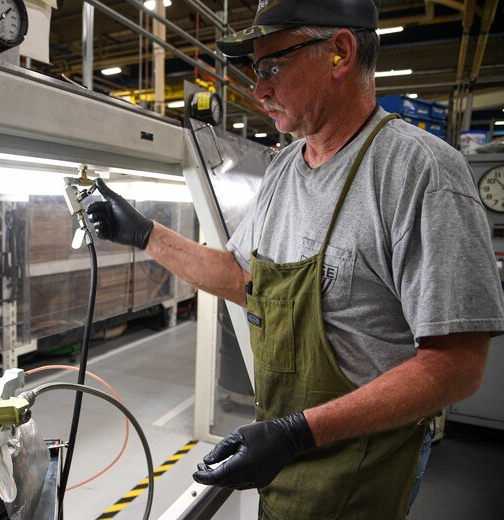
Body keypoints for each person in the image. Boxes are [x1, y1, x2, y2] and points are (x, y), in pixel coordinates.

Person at [85, 0, 504, 518]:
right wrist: (145, 234)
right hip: (284, 457)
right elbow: (244, 278)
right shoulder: (285, 167)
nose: (258, 89)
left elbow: (457, 365)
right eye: (255, 71)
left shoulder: (419, 172)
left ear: (340, 53)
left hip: (360, 468)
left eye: (272, 67)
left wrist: (296, 433)